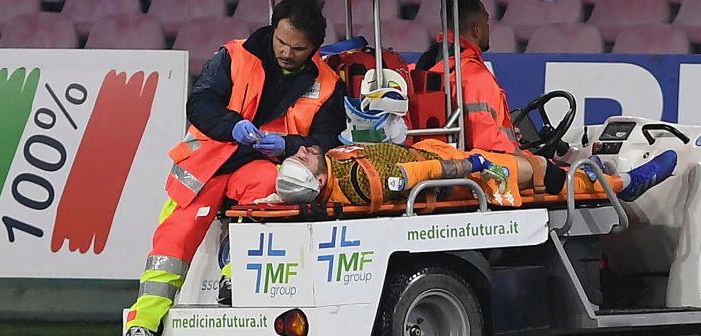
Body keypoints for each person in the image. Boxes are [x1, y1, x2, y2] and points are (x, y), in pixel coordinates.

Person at [124, 0, 345, 336]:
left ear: (314, 47)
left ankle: (235, 283)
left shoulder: (328, 84)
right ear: (273, 30)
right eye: (282, 42)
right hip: (208, 163)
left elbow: (326, 140)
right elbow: (199, 105)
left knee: (270, 194)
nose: (286, 52)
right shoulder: (234, 55)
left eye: (297, 48)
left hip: (259, 165)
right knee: (174, 239)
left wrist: (287, 145)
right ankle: (143, 323)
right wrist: (233, 126)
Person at [274, 139, 678, 209]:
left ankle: (598, 175)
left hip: (443, 156)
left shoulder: (337, 163)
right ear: (319, 182)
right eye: (303, 160)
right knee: (537, 171)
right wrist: (470, 167)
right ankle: (624, 186)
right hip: (458, 178)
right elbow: (414, 176)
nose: (303, 151)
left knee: (535, 164)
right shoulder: (359, 181)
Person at [416, 0, 519, 154]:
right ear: (476, 30)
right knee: (548, 170)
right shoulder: (474, 75)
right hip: (483, 167)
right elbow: (487, 143)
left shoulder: (427, 64)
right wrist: (523, 155)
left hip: (440, 156)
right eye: (486, 21)